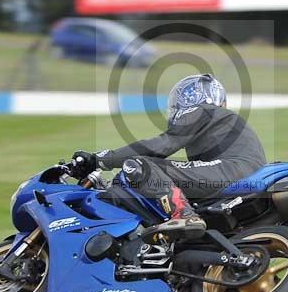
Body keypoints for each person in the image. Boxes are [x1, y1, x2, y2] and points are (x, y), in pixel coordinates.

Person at [72, 74, 266, 239]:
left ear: (193, 96)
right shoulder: (221, 120)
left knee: (140, 164)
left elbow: (161, 146)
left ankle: (184, 215)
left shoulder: (202, 110)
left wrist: (100, 159)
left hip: (233, 171)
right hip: (243, 175)